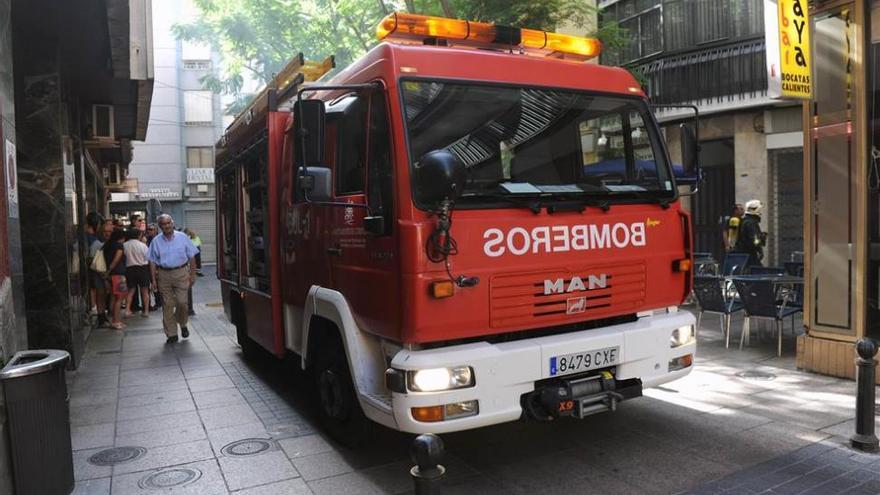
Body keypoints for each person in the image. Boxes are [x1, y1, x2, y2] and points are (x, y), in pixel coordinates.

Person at [148, 214, 198, 343]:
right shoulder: (156, 241)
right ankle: (172, 334)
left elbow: (192, 257)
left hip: (181, 272)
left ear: (172, 223)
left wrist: (193, 274)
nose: (166, 226)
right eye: (163, 224)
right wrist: (153, 280)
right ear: (160, 226)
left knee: (182, 302)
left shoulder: (182, 238)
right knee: (167, 305)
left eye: (168, 223)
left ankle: (183, 324)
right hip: (163, 275)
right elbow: (152, 262)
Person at [103, 228, 128, 329]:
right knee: (119, 298)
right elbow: (116, 259)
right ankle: (116, 321)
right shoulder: (119, 246)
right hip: (118, 274)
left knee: (113, 297)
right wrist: (109, 270)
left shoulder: (107, 245)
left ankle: (114, 319)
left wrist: (108, 272)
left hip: (111, 274)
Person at [123, 229, 151, 318]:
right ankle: (146, 311)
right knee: (145, 291)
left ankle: (127, 310)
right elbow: (148, 258)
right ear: (138, 235)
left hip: (130, 269)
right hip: (143, 269)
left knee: (130, 291)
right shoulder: (143, 246)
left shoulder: (124, 245)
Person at [733, 199, 767, 268]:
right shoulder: (751, 223)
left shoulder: (744, 221)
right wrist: (761, 238)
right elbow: (755, 240)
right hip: (749, 254)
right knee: (757, 273)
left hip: (744, 254)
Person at [85, 212, 105, 317]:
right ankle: (93, 307)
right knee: (94, 287)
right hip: (91, 268)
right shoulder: (93, 239)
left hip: (88, 268)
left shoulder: (86, 236)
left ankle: (93, 307)